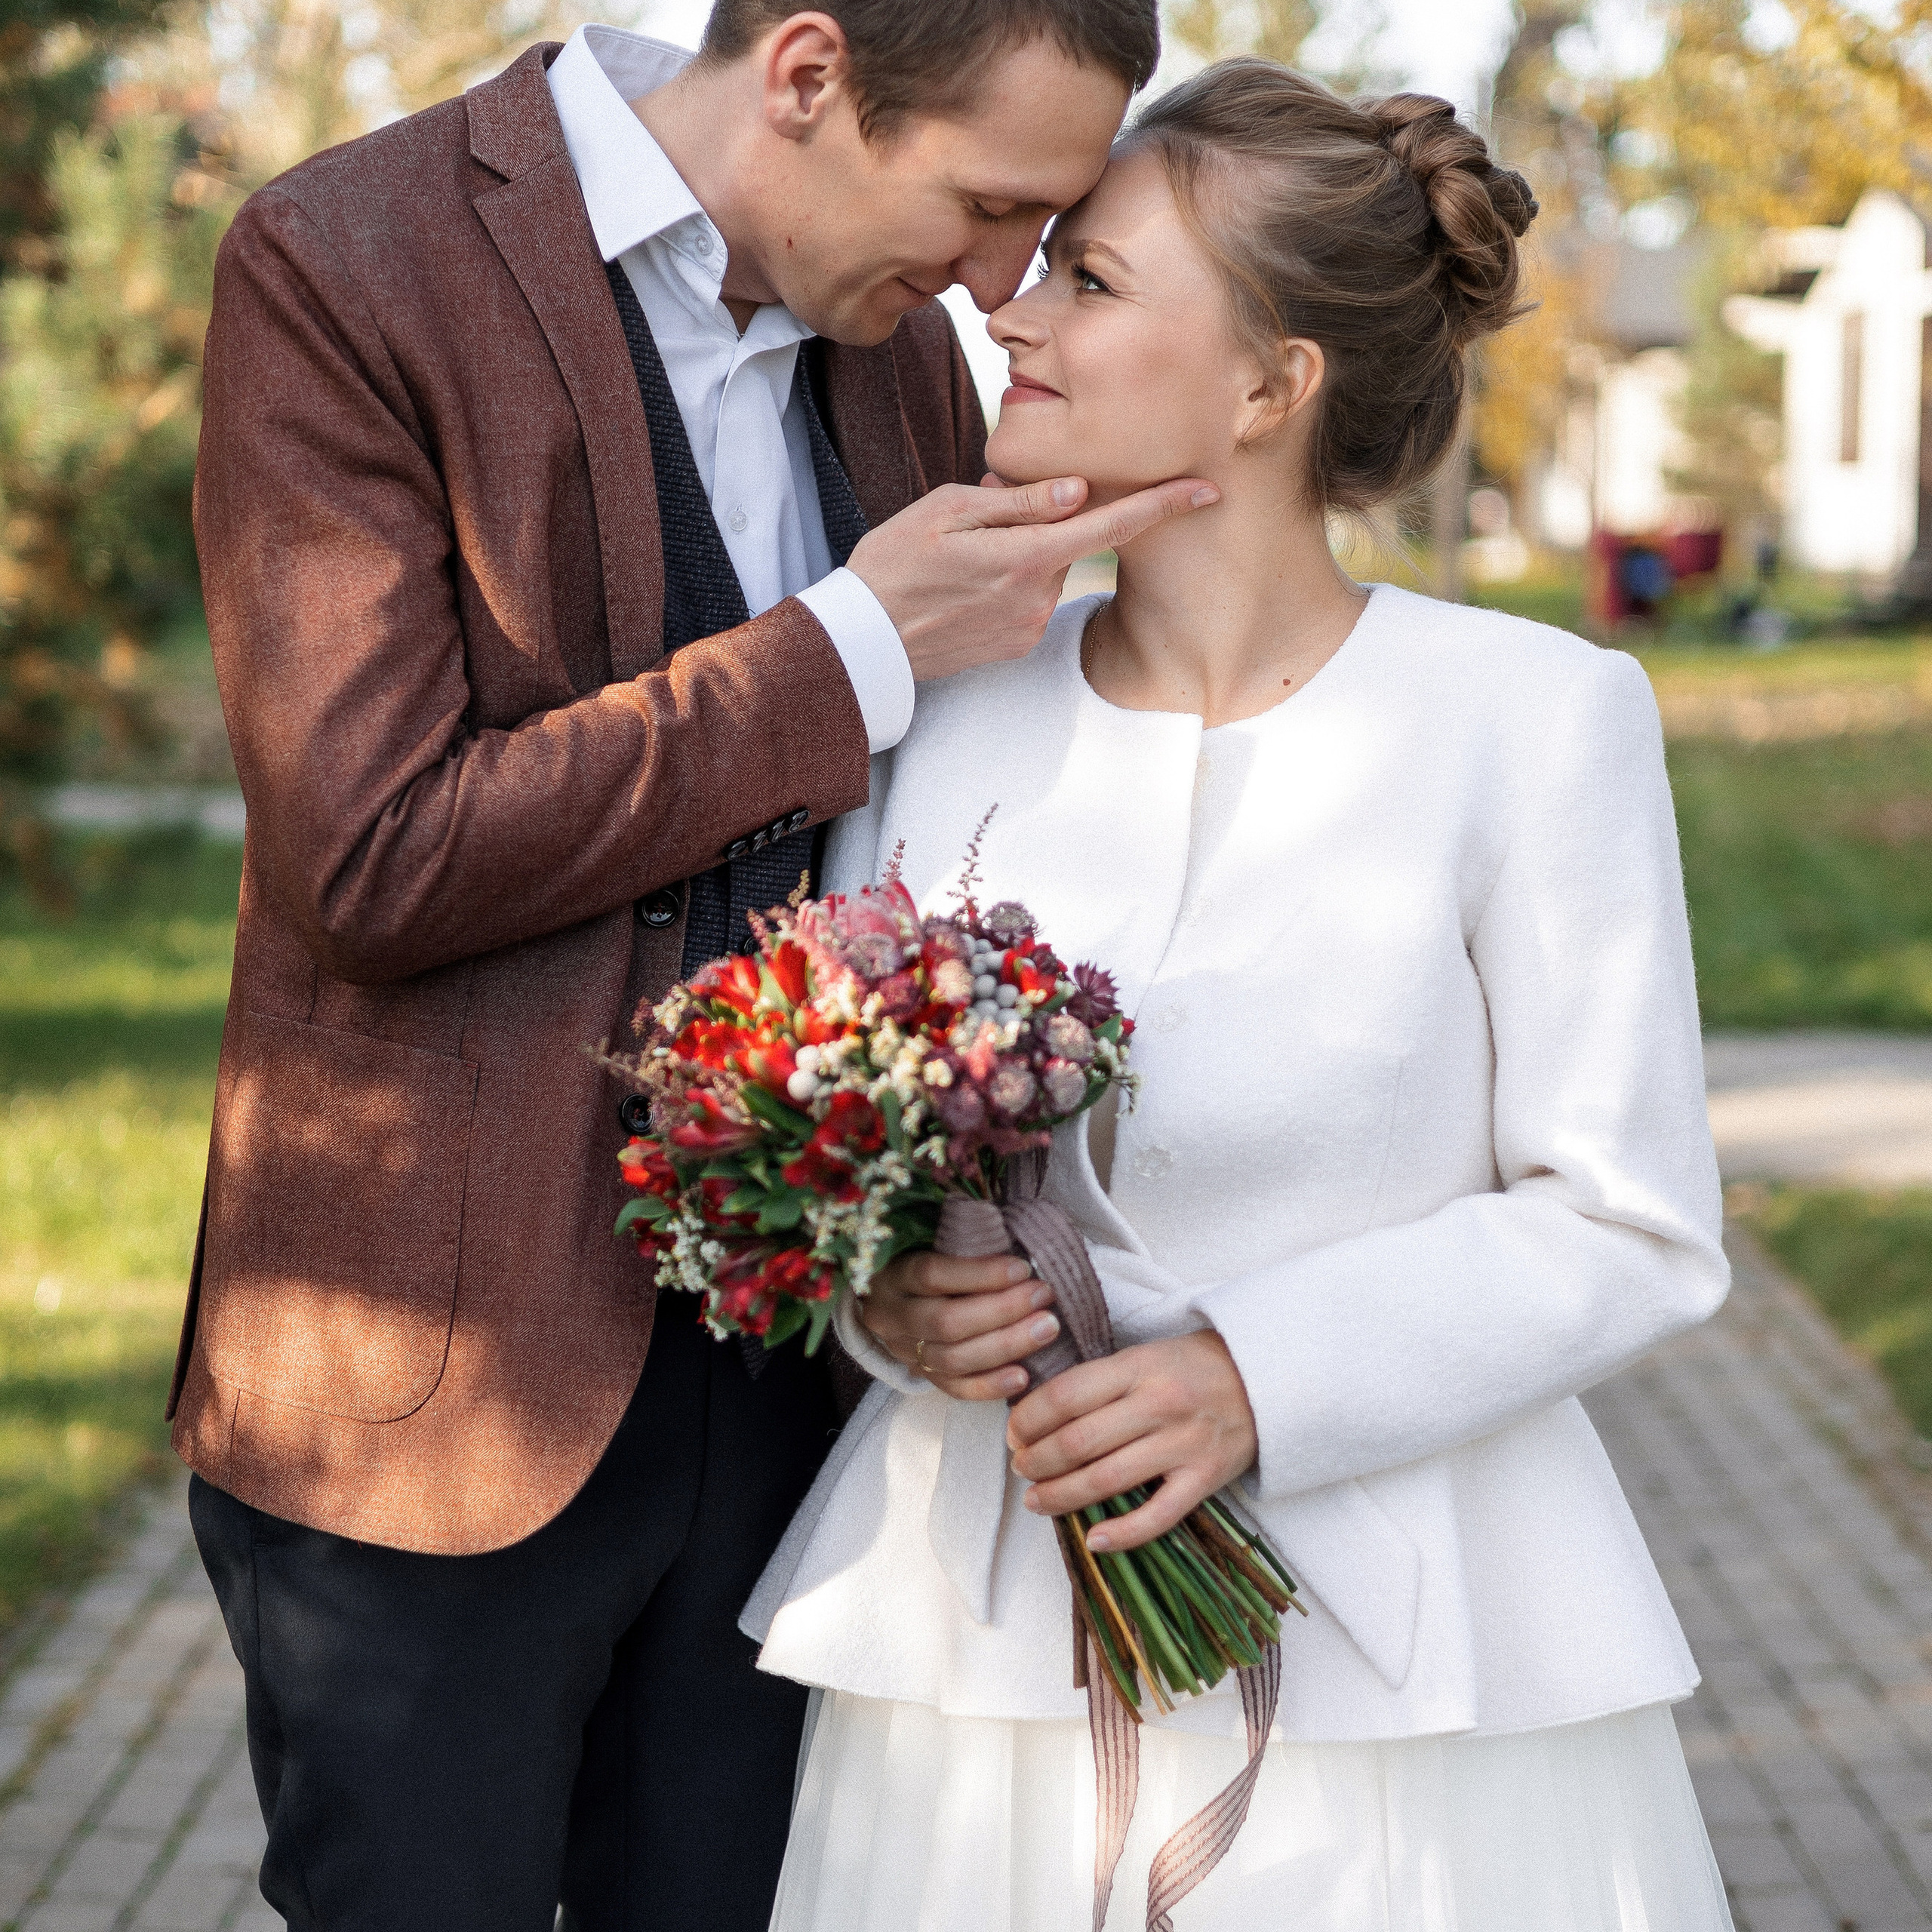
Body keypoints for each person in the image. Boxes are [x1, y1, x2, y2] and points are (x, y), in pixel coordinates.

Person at [171, 2, 1212, 1926]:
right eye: (990, 205)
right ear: (807, 76)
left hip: (803, 1395)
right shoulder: (344, 262)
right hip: (435, 1390)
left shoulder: (901, 353)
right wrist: (844, 648)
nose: (1000, 286)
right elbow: (368, 853)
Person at [746, 60, 1737, 1931]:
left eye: (1091, 281)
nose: (1009, 314)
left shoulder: (1530, 719)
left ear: (1272, 387)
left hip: (1405, 1662)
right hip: (973, 1655)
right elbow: (865, 1152)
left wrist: (1247, 1382)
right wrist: (894, 1303)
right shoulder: (938, 703)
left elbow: (1628, 1219)